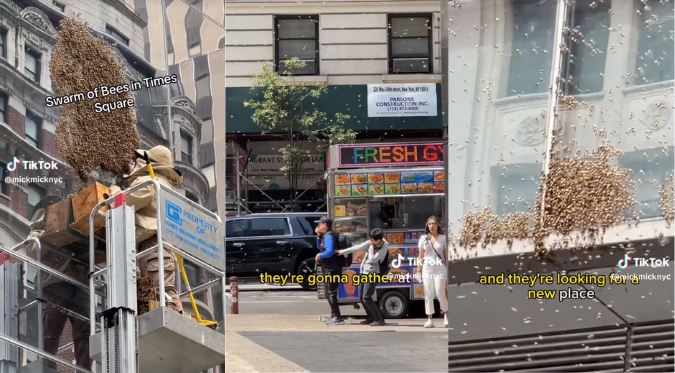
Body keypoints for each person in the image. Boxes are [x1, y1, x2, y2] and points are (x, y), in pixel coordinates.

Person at [109, 145, 184, 314]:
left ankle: (172, 320)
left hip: (154, 246)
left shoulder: (150, 182)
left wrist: (114, 190)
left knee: (162, 292)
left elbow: (121, 203)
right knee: (159, 291)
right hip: (161, 246)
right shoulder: (165, 185)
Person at [25, 198, 92, 370]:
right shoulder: (41, 224)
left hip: (80, 284)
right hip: (55, 283)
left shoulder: (77, 219)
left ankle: (84, 369)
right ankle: (47, 368)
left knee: (85, 332)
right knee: (50, 332)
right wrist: (50, 235)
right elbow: (32, 249)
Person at [337, 228, 388, 326]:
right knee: (361, 297)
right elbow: (359, 247)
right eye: (370, 239)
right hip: (363, 272)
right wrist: (343, 251)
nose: (370, 241)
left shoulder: (383, 249)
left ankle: (380, 320)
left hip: (372, 274)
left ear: (379, 240)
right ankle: (371, 317)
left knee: (367, 297)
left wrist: (372, 247)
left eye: (373, 240)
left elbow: (372, 259)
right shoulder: (372, 242)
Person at [416, 216, 448, 328]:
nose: (431, 226)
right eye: (429, 224)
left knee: (440, 292)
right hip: (427, 269)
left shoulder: (444, 238)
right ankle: (430, 319)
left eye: (433, 223)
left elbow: (446, 256)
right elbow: (420, 255)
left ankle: (446, 314)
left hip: (440, 268)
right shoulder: (424, 238)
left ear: (438, 225)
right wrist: (418, 270)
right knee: (428, 293)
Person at [314, 216, 345, 325]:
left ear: (324, 225)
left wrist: (319, 255)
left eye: (319, 224)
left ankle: (338, 318)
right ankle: (334, 315)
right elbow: (320, 247)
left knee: (331, 293)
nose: (317, 226)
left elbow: (330, 252)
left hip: (332, 269)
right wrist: (318, 236)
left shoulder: (329, 237)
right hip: (328, 268)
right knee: (328, 293)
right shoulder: (325, 236)